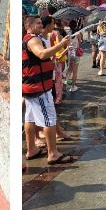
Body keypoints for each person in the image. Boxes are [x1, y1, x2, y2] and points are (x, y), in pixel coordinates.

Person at [22, 15, 76, 165]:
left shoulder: (29, 39)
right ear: (30, 25)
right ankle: (53, 153)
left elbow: (40, 57)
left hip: (31, 86)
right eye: (38, 23)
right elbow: (41, 53)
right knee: (49, 119)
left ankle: (32, 149)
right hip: (39, 87)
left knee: (30, 118)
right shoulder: (33, 39)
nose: (41, 25)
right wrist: (62, 44)